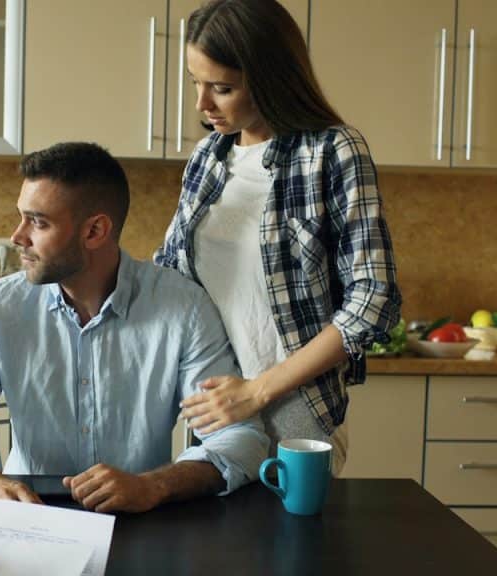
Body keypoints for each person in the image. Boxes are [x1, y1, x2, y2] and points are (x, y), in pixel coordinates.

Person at [0, 142, 269, 513]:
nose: (18, 237)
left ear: (95, 231)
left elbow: (241, 439)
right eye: (22, 217)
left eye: (38, 222)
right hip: (26, 515)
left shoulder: (184, 307)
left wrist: (154, 485)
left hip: (138, 518)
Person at [156, 0, 402, 474]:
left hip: (294, 407)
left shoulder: (333, 150)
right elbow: (172, 275)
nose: (201, 105)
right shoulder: (208, 156)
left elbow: (374, 297)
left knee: (289, 548)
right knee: (211, 547)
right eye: (195, 83)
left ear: (269, 78)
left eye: (222, 88)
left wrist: (258, 390)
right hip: (216, 405)